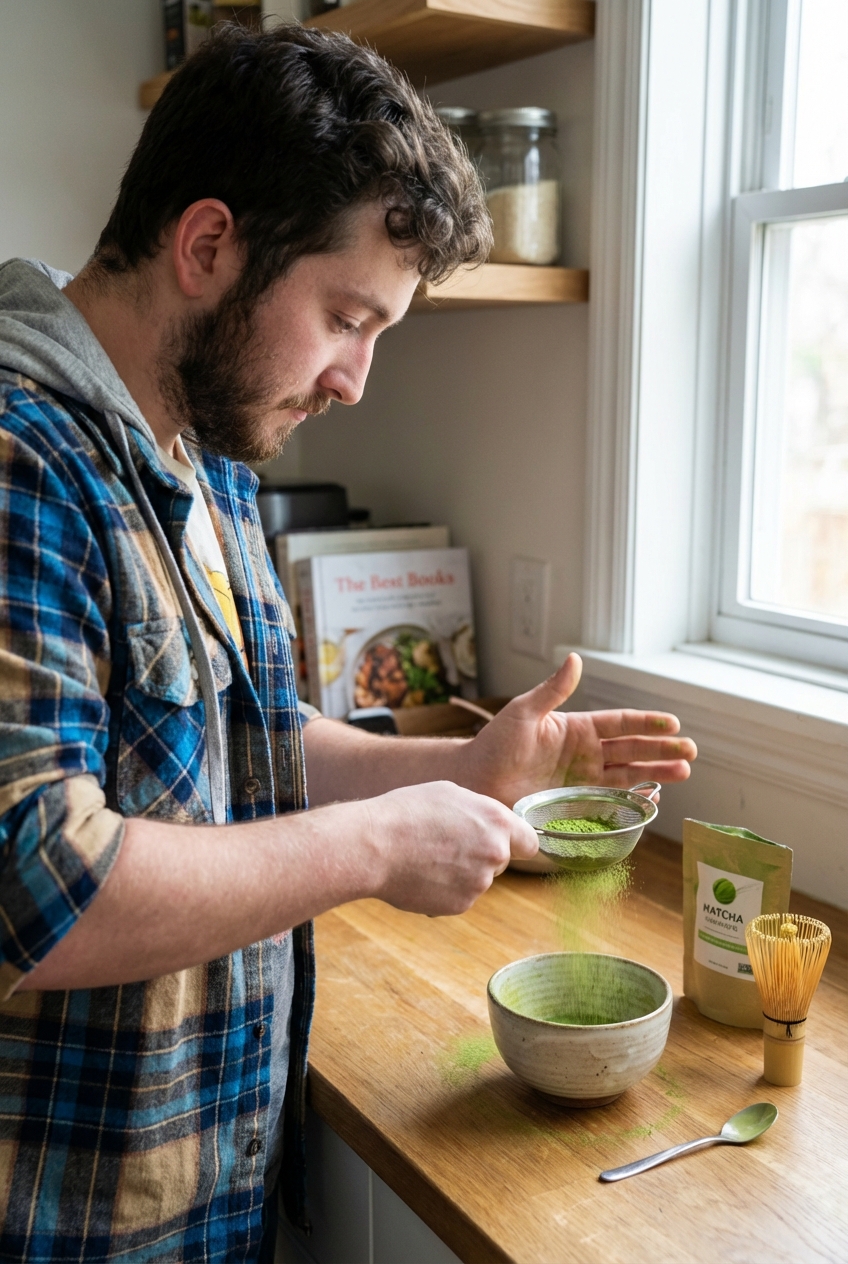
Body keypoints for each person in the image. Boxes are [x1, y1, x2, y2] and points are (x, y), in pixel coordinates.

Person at [0, 22, 696, 1262]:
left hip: (203, 1184)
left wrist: (460, 767)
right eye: (344, 317)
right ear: (208, 246)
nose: (354, 380)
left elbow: (251, 743)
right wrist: (375, 844)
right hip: (64, 1220)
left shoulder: (199, 445)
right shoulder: (21, 460)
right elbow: (36, 886)